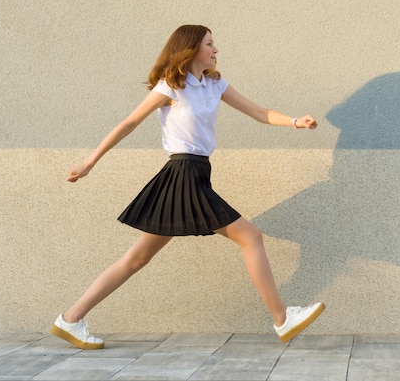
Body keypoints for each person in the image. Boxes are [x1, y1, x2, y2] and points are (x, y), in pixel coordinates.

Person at [51, 25, 325, 349]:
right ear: (192, 48)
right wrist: (89, 162)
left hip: (196, 173)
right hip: (181, 172)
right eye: (210, 44)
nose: (216, 50)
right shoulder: (171, 86)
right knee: (250, 236)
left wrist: (295, 121)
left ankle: (70, 318)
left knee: (136, 259)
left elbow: (259, 112)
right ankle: (282, 319)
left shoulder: (214, 84)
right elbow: (129, 122)